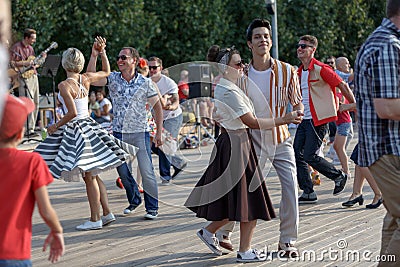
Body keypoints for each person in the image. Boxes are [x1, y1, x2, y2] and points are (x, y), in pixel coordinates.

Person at [185, 46, 302, 263]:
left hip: (238, 143)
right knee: (249, 201)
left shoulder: (231, 86)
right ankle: (243, 250)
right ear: (224, 68)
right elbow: (252, 122)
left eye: (242, 63)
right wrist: (283, 120)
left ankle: (210, 232)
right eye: (238, 64)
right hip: (236, 144)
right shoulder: (228, 90)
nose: (243, 67)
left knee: (241, 200)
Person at [214, 19, 304, 257]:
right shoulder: (241, 76)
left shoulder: (288, 70)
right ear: (249, 44)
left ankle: (287, 241)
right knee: (243, 191)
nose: (262, 40)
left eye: (266, 36)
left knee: (291, 187)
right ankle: (224, 233)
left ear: (271, 41)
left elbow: (297, 101)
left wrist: (299, 112)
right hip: (251, 139)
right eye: (257, 37)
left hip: (280, 138)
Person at [35, 37, 133, 230]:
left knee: (89, 175)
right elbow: (106, 71)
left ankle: (95, 218)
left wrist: (54, 126)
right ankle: (106, 213)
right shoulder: (85, 78)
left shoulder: (64, 85)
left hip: (77, 129)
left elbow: (71, 113)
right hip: (90, 125)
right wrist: (100, 52)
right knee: (94, 174)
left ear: (64, 64)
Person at [88, 47, 163, 220]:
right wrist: (95, 55)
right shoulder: (113, 78)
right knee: (122, 171)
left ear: (134, 61)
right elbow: (90, 78)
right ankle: (135, 199)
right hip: (119, 132)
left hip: (140, 131)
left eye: (124, 57)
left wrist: (158, 132)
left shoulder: (145, 82)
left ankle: (152, 208)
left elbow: (158, 107)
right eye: (118, 57)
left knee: (146, 170)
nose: (119, 60)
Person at [354, 1, 400, 264]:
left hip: (384, 148)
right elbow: (387, 107)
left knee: (395, 219)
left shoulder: (384, 41)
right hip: (387, 149)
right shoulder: (388, 45)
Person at [0, 94, 64, 265]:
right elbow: (45, 209)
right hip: (13, 255)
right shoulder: (31, 162)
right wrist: (56, 230)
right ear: (20, 134)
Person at [294, 35, 356, 204]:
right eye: (299, 46)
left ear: (313, 50)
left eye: (304, 46)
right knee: (297, 153)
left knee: (309, 155)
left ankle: (338, 176)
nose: (299, 48)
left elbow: (342, 85)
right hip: (304, 120)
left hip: (318, 120)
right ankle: (308, 192)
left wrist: (351, 104)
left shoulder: (321, 69)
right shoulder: (299, 71)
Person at [149, 56, 187, 184]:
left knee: (164, 143)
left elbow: (175, 100)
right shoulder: (146, 82)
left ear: (161, 68)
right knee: (154, 146)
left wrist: (172, 106)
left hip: (173, 116)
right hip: (157, 119)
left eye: (154, 67)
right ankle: (178, 162)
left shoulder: (168, 82)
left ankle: (165, 176)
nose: (152, 70)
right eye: (150, 68)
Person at [9, 28, 46, 136]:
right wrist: (26, 62)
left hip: (33, 76)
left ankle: (32, 129)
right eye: (33, 38)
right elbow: (12, 63)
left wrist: (42, 59)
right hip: (23, 78)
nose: (34, 40)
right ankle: (25, 129)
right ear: (26, 37)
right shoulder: (16, 48)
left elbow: (34, 64)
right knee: (26, 103)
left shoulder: (31, 48)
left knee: (35, 102)